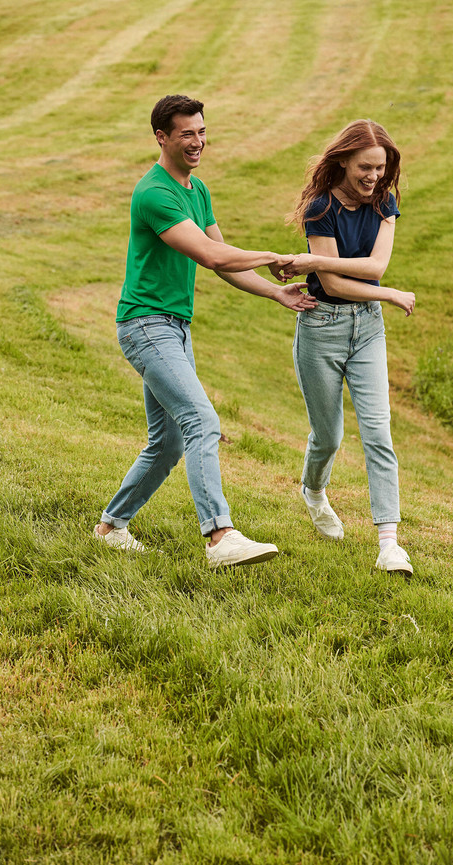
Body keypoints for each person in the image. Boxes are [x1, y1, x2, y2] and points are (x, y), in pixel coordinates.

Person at [94, 94, 315, 567]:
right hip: (145, 325)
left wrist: (274, 292)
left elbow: (223, 261)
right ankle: (220, 536)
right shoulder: (154, 193)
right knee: (201, 421)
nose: (198, 142)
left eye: (202, 132)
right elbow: (213, 255)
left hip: (173, 328)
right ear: (162, 137)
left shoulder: (198, 190)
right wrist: (270, 255)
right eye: (187, 134)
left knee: (170, 440)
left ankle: (111, 527)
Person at [283, 119, 415, 574]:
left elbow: (377, 264)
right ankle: (314, 491)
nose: (374, 177)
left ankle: (389, 544)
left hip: (368, 328)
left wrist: (313, 260)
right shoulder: (320, 207)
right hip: (321, 325)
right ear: (343, 160)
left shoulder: (384, 203)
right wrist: (389, 292)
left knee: (378, 430)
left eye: (380, 168)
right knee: (329, 436)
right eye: (365, 167)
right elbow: (336, 284)